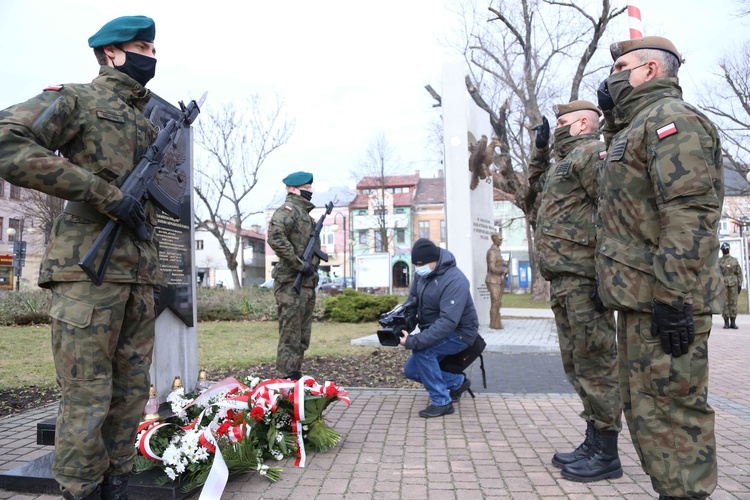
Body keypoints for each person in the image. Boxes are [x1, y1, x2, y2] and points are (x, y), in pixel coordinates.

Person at [0, 15, 160, 500]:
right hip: (85, 271)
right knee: (87, 395)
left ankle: (117, 481)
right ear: (111, 53)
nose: (150, 58)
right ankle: (80, 490)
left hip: (136, 274)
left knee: (130, 395)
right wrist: (103, 193)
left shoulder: (143, 118)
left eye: (152, 50)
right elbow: (8, 143)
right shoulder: (75, 98)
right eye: (141, 48)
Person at [596, 36, 722, 499]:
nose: (612, 76)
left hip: (665, 300)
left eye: (621, 66)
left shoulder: (672, 121)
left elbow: (690, 216)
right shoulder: (637, 126)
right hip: (640, 300)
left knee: (672, 414)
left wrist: (673, 298)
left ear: (650, 71)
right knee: (648, 414)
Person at [529, 100, 622, 482]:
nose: (558, 129)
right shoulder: (561, 164)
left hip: (585, 281)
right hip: (564, 281)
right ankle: (593, 439)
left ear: (584, 124)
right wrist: (538, 151)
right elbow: (531, 193)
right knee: (577, 365)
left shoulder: (591, 153)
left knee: (596, 363)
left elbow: (612, 212)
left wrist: (607, 276)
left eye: (564, 122)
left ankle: (607, 454)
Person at [401, 238, 478, 418]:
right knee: (411, 371)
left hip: (460, 332)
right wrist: (398, 318)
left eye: (422, 264)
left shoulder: (455, 279)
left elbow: (448, 322)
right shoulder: (422, 274)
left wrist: (415, 341)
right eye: (416, 265)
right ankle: (457, 382)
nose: (418, 268)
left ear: (435, 260)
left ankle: (442, 402)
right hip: (436, 328)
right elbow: (411, 301)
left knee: (423, 351)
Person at [267, 171, 320, 380]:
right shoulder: (288, 211)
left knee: (302, 337)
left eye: (310, 188)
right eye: (306, 189)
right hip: (291, 284)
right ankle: (284, 380)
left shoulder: (306, 216)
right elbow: (275, 237)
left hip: (306, 284)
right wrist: (299, 264)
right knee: (290, 336)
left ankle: (295, 375)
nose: (310, 192)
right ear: (292, 189)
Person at [485, 232, 507, 330]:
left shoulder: (498, 250)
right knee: (495, 302)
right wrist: (503, 270)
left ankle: (497, 322)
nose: (501, 240)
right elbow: (492, 268)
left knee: (498, 303)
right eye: (500, 239)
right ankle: (493, 324)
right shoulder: (492, 252)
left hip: (498, 280)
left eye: (502, 239)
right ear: (494, 239)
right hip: (492, 280)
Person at [719, 242, 742, 329]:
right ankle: (726, 322)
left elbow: (739, 273)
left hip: (733, 285)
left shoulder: (734, 260)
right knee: (725, 303)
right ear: (721, 250)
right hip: (723, 285)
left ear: (729, 249)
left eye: (726, 248)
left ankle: (733, 322)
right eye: (724, 249)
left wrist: (740, 284)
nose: (725, 250)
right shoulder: (719, 261)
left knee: (733, 302)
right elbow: (717, 274)